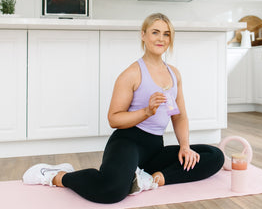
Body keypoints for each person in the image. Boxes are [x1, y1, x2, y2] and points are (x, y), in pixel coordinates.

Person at [22, 13, 224, 204]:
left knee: (214, 156)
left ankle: (154, 179)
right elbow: (114, 119)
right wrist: (146, 111)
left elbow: (179, 117)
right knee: (112, 190)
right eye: (155, 32)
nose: (161, 38)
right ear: (143, 35)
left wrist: (185, 147)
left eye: (166, 33)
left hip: (155, 148)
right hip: (127, 142)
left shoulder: (174, 74)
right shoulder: (132, 74)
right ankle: (58, 176)